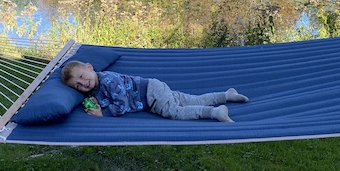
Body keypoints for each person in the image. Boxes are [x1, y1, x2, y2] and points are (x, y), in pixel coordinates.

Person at [60, 60, 249, 122]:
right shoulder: (95, 87)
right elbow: (105, 97)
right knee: (191, 99)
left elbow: (122, 105)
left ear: (89, 67)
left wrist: (103, 113)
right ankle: (226, 95)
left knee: (175, 112)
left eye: (83, 77)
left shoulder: (108, 80)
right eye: (77, 85)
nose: (83, 84)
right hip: (154, 88)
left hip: (151, 95)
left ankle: (215, 112)